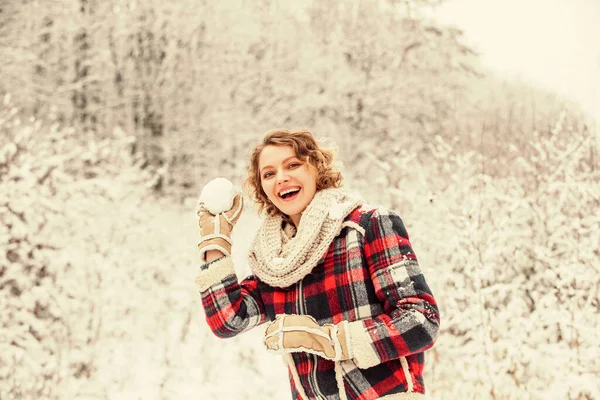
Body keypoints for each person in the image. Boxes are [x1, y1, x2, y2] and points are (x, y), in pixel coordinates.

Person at [195, 129, 440, 399]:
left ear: (316, 167)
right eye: (269, 173)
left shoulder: (367, 226)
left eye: (293, 164)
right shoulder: (274, 261)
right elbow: (227, 320)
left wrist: (331, 341)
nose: (282, 177)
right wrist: (215, 241)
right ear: (262, 188)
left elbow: (421, 320)